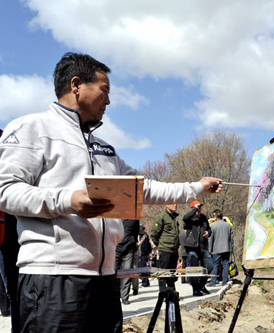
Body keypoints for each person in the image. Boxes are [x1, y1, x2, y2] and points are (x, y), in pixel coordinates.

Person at [0, 52, 223, 332]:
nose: (109, 101)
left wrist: (195, 187)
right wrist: (67, 201)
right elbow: (5, 190)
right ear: (76, 84)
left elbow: (142, 189)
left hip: (105, 280)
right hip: (53, 278)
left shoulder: (105, 148)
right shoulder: (31, 128)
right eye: (104, 91)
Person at [183, 201, 212, 296]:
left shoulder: (203, 218)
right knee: (194, 269)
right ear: (193, 208)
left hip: (203, 247)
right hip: (192, 247)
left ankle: (201, 285)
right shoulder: (189, 219)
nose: (200, 209)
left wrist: (208, 232)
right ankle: (195, 289)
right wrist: (195, 209)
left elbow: (209, 228)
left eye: (200, 207)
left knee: (209, 266)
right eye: (198, 207)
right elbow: (185, 218)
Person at [150, 204, 180, 291]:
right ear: (167, 205)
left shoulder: (174, 218)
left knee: (172, 274)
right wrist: (158, 248)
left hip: (174, 250)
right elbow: (154, 235)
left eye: (176, 203)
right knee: (163, 274)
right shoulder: (161, 217)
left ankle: (171, 292)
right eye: (172, 203)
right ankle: (163, 292)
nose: (175, 205)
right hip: (164, 250)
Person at [114, 219, 140, 305]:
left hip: (129, 249)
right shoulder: (113, 217)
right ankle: (115, 295)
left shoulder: (134, 218)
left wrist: (134, 246)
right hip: (115, 248)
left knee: (127, 273)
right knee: (113, 273)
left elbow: (136, 232)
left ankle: (125, 297)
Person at [208, 210, 234, 286]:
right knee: (226, 264)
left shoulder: (212, 226)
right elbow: (231, 238)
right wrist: (231, 247)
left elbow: (210, 239)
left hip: (216, 249)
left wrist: (210, 249)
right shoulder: (228, 226)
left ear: (216, 217)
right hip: (226, 248)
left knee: (215, 265)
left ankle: (213, 281)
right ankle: (224, 281)